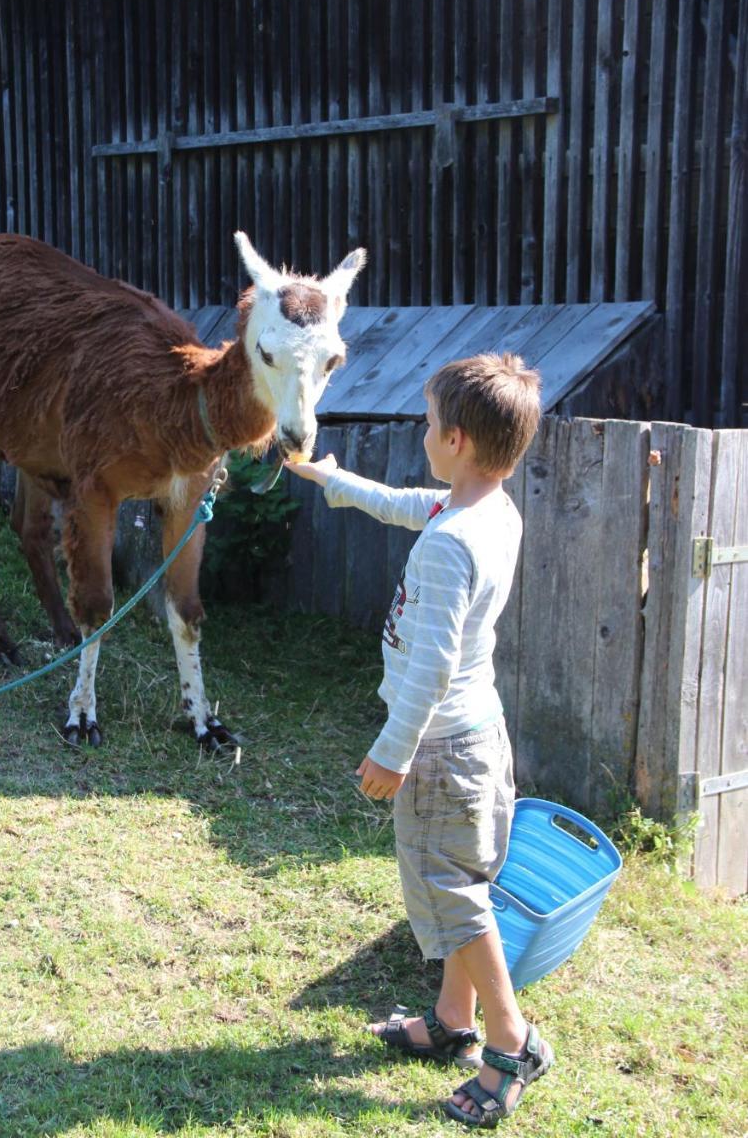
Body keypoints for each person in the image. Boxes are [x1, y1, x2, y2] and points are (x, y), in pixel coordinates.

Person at [285, 352, 552, 1128]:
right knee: (460, 882)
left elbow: (430, 669)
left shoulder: (448, 546)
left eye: (430, 424)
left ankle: (510, 1045)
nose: (422, 434)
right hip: (477, 736)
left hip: (437, 749)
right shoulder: (485, 512)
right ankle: (451, 1020)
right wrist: (333, 480)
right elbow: (409, 504)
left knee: (449, 898)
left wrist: (392, 752)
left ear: (458, 441)